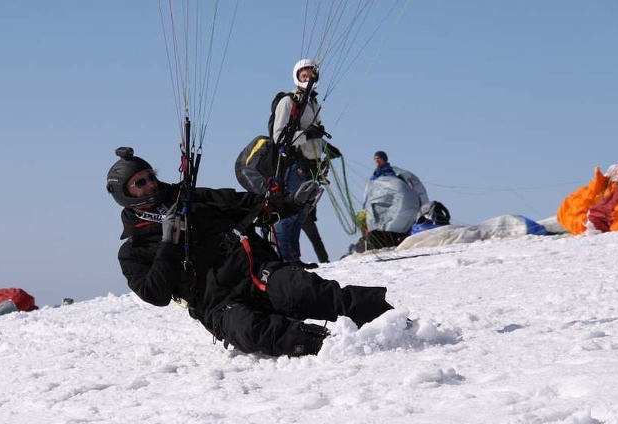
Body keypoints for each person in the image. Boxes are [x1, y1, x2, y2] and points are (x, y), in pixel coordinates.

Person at [106, 147, 393, 357]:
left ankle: (390, 320)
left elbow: (246, 203)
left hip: (256, 273)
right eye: (140, 183)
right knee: (252, 331)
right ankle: (332, 346)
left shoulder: (189, 199)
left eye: (151, 177)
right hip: (219, 305)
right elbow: (154, 294)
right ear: (125, 194)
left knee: (307, 291)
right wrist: (168, 244)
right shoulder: (133, 251)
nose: (151, 184)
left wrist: (290, 202)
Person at [271, 58, 328, 269]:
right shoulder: (288, 102)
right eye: (304, 74)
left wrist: (325, 151)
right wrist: (307, 134)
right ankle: (285, 259)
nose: (308, 77)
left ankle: (294, 258)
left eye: (311, 74)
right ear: (297, 76)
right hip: (295, 166)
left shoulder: (312, 102)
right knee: (288, 213)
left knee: (300, 215)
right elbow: (278, 138)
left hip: (311, 165)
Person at [361, 150, 429, 250]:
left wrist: (423, 208)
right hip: (380, 209)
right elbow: (369, 194)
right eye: (375, 159)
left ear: (384, 159)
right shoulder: (374, 177)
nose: (377, 160)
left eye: (379, 158)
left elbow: (411, 188)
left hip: (397, 206)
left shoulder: (395, 173)